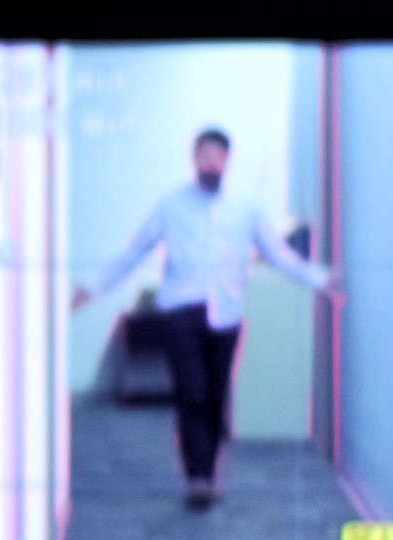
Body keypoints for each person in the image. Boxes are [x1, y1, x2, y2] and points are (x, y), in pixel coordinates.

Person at [74, 125, 331, 509]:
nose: (210, 162)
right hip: (180, 312)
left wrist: (323, 279)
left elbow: (279, 255)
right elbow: (134, 252)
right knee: (190, 394)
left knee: (213, 398)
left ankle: (207, 473)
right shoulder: (170, 205)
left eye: (218, 155)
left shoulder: (246, 209)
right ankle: (198, 478)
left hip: (226, 316)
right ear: (194, 158)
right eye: (204, 154)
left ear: (227, 160)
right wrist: (93, 288)